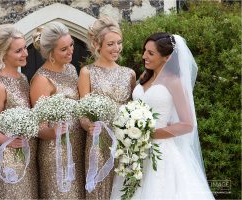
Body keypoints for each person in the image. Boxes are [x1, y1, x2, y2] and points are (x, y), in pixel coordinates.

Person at [110, 32, 215, 199]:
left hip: (162, 153)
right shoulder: (144, 77)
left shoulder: (174, 82)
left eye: (151, 53)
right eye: (145, 51)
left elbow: (187, 124)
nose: (144, 56)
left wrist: (148, 133)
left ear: (167, 58)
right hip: (136, 151)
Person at [78, 16, 136, 199]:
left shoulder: (129, 74)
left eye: (119, 43)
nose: (116, 48)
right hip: (98, 140)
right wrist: (88, 125)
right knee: (99, 190)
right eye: (111, 44)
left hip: (124, 140)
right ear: (97, 44)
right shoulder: (87, 72)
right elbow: (82, 112)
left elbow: (134, 108)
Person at [0, 24, 38, 199]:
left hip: (28, 154)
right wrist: (10, 141)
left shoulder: (22, 78)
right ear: (3, 54)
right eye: (18, 50)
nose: (25, 53)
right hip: (9, 159)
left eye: (25, 48)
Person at [30, 21, 86, 199]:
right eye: (63, 49)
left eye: (71, 45)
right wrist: (54, 132)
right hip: (56, 152)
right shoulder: (42, 79)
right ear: (50, 53)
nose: (70, 51)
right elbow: (38, 127)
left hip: (78, 146)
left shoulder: (71, 70)